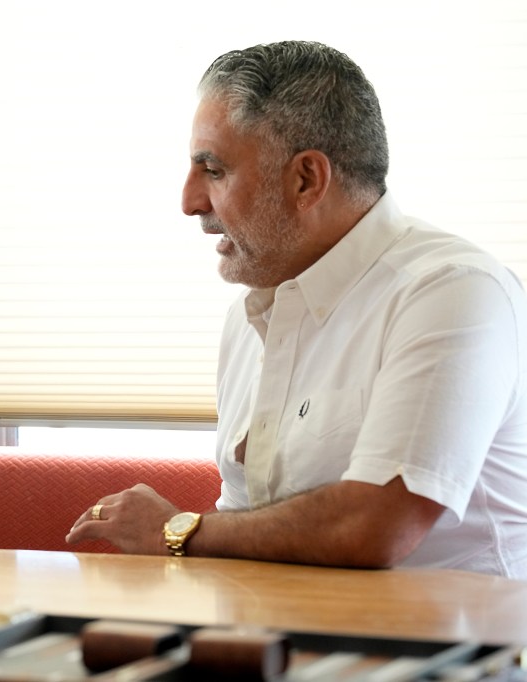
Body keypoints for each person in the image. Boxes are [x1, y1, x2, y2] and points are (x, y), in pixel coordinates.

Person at [66, 40, 527, 579]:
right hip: (279, 647)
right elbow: (242, 523)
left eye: (212, 170)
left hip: (445, 659)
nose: (189, 201)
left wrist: (176, 530)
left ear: (306, 179)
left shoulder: (453, 291)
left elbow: (375, 527)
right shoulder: (248, 316)